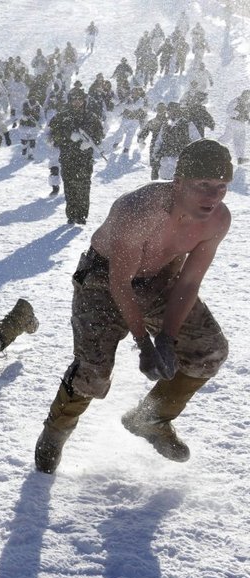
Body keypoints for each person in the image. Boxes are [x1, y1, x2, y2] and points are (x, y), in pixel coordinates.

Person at [34, 140, 232, 474]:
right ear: (178, 181)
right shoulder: (139, 209)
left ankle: (152, 418)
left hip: (160, 280)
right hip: (103, 278)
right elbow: (119, 284)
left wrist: (167, 339)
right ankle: (57, 429)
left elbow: (187, 282)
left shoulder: (217, 221)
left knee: (208, 351)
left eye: (221, 188)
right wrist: (144, 343)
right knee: (93, 371)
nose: (212, 198)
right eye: (202, 186)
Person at [48, 87, 104, 225]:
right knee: (70, 186)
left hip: (85, 158)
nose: (77, 102)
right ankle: (72, 215)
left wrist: (90, 144)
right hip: (68, 157)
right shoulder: (61, 117)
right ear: (70, 101)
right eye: (74, 99)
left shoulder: (91, 117)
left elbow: (99, 135)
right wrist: (68, 136)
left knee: (84, 186)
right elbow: (51, 135)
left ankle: (82, 215)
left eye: (80, 99)